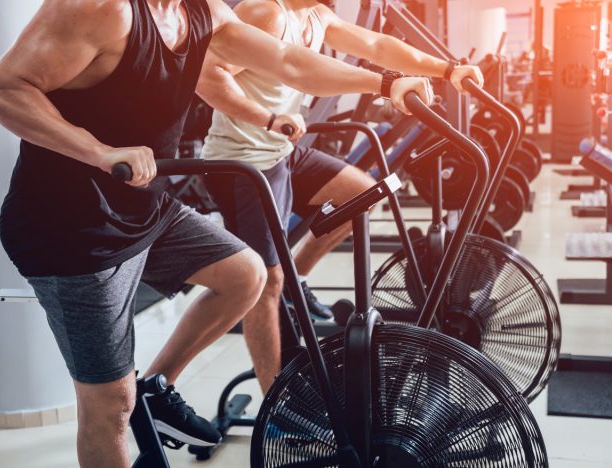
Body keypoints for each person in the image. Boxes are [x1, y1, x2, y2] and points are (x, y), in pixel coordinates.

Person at [0, 0, 432, 466]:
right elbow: (2, 90)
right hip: (68, 230)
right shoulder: (103, 11)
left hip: (143, 209)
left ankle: (155, 391)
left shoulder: (203, 13)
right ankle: (134, 404)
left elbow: (289, 62)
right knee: (109, 406)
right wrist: (97, 150)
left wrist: (388, 82)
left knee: (246, 275)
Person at [197, 0, 484, 393]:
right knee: (266, 283)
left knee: (360, 193)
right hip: (241, 162)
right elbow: (206, 75)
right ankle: (275, 400)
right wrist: (265, 118)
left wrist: (448, 70)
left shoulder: (316, 16)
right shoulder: (264, 12)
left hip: (282, 151)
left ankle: (296, 284)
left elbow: (378, 46)